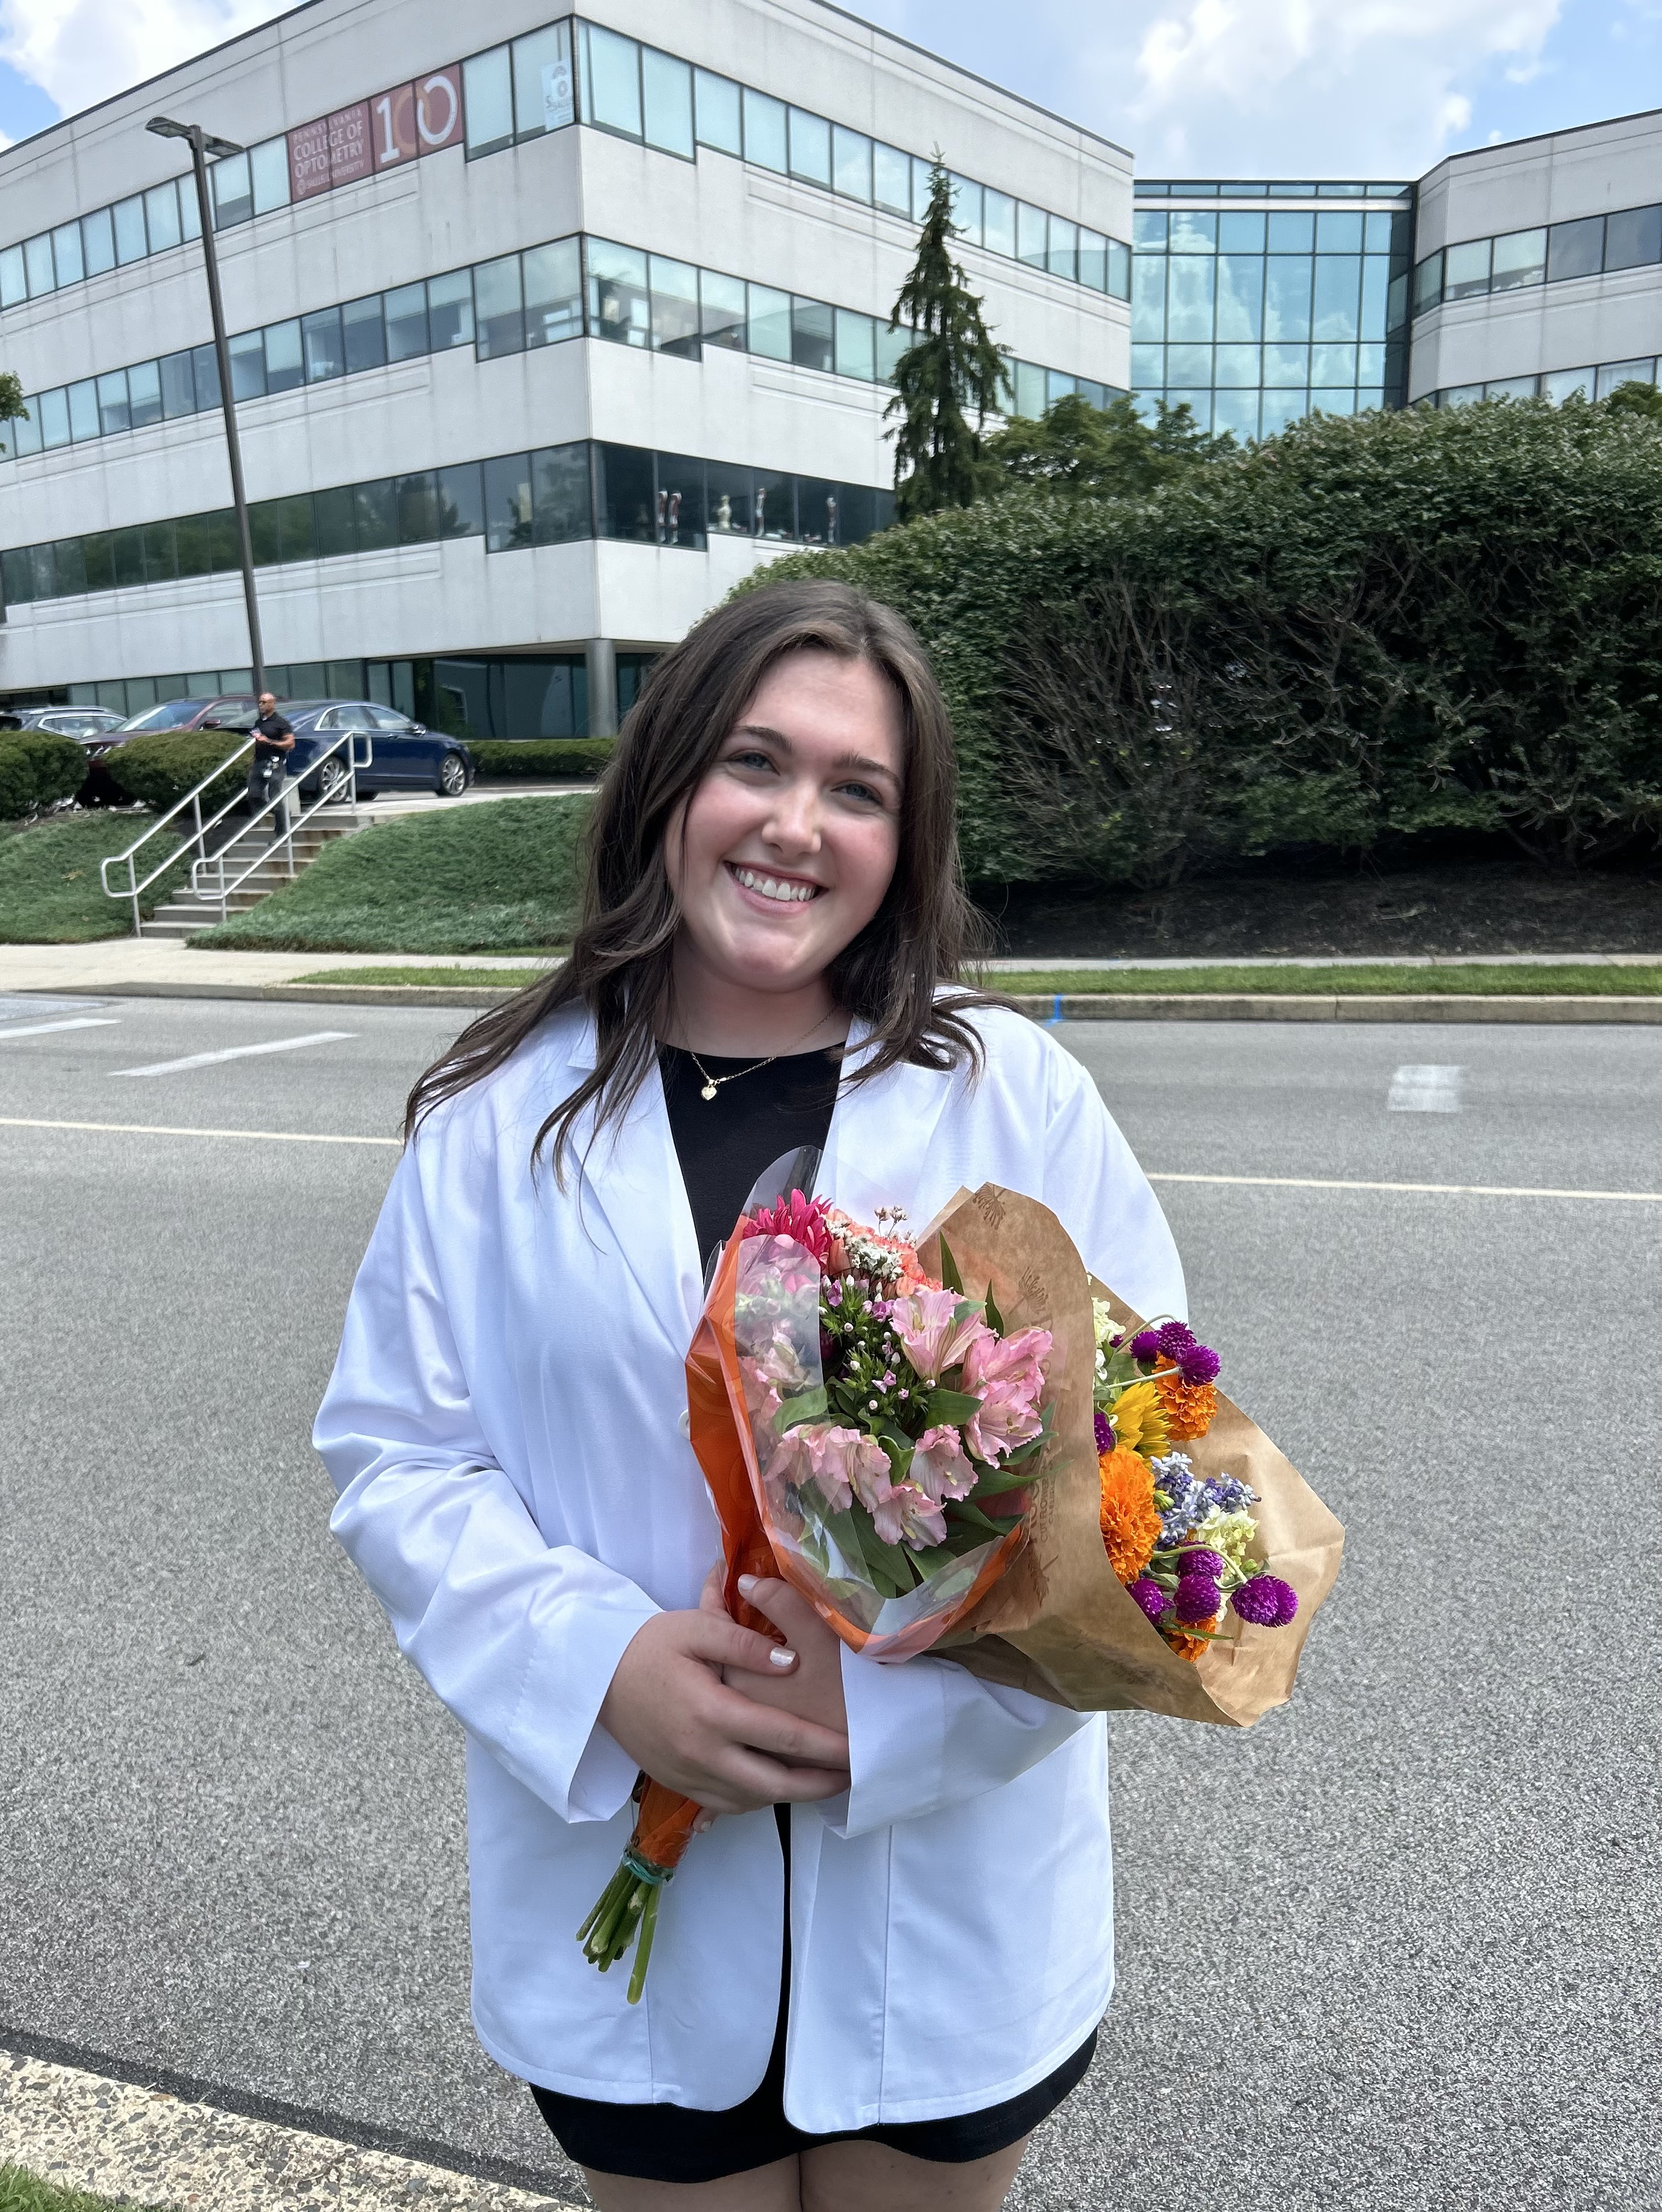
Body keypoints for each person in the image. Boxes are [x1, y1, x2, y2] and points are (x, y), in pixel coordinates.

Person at [314, 580, 1184, 2212]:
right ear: (666, 787)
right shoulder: (500, 1119)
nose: (796, 825)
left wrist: (894, 1718)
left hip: (946, 1914)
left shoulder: (1016, 1100)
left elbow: (1140, 1488)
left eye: (856, 790)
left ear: (902, 840)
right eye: (753, 763)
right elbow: (400, 1456)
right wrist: (601, 1669)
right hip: (626, 1890)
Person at [246, 690, 294, 836]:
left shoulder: (281, 723)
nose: (260, 705)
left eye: (264, 702)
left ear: (272, 704)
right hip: (259, 762)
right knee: (254, 795)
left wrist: (270, 742)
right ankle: (283, 815)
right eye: (260, 702)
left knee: (274, 794)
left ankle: (282, 831)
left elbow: (291, 744)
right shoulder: (259, 722)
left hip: (275, 763)